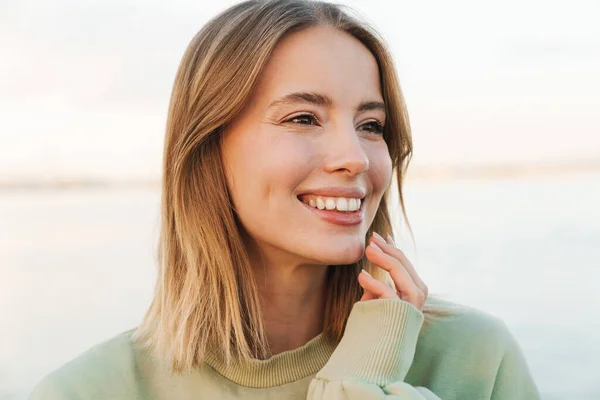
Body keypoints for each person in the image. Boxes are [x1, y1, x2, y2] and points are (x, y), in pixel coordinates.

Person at [29, 0, 541, 398]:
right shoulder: (85, 392)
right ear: (208, 148)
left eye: (371, 125)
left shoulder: (475, 361)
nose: (355, 157)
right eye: (303, 118)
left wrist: (363, 384)